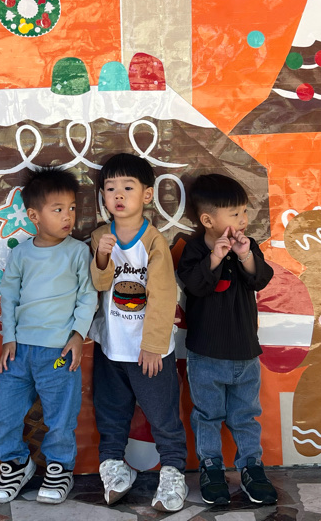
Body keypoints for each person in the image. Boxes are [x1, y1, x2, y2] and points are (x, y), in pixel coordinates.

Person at [0, 167, 97, 505]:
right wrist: (8, 337)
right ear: (34, 215)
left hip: (59, 353)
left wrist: (77, 335)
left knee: (60, 417)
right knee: (2, 414)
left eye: (72, 208)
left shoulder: (78, 252)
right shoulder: (21, 253)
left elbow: (87, 296)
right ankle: (17, 464)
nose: (68, 216)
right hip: (19, 351)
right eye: (58, 209)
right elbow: (9, 296)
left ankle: (60, 467)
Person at [89, 153, 188, 512]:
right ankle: (114, 468)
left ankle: (173, 473)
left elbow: (163, 296)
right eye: (110, 188)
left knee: (162, 415)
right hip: (111, 347)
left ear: (147, 195)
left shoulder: (153, 241)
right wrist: (102, 257)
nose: (118, 195)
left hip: (149, 350)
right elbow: (99, 283)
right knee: (110, 412)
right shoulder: (100, 236)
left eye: (128, 188)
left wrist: (153, 345)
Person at [176, 174, 277, 506]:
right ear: (208, 220)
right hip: (206, 354)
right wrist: (215, 258)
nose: (243, 219)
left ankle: (251, 467)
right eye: (235, 213)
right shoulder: (194, 249)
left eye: (244, 211)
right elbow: (195, 285)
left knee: (245, 415)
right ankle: (211, 468)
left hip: (245, 353)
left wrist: (245, 255)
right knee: (207, 415)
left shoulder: (247, 246)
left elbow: (261, 279)